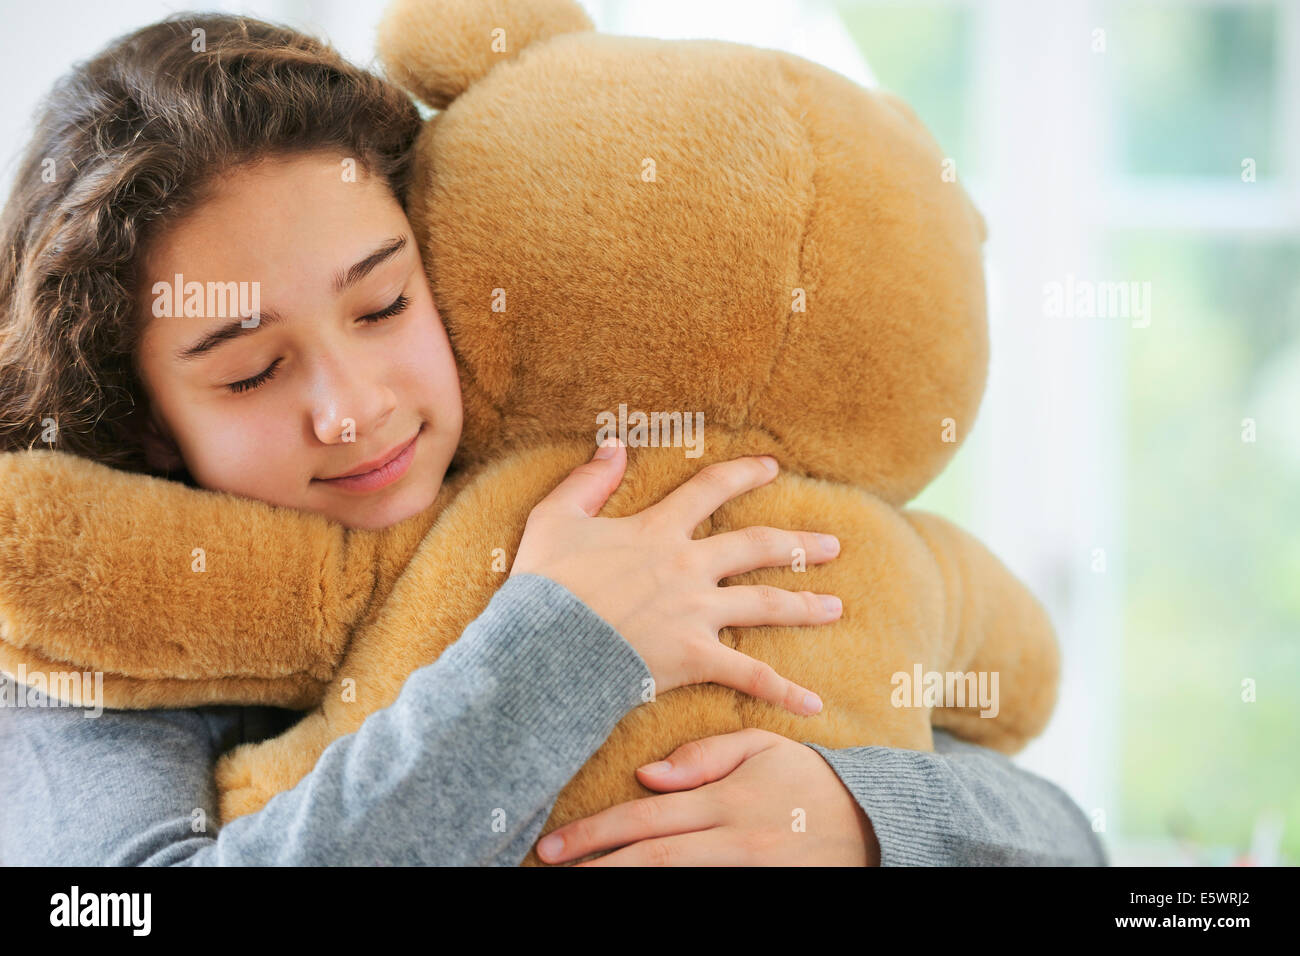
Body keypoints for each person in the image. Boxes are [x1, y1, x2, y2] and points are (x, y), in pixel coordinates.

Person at [0, 13, 1106, 867]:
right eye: (249, 369)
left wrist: (863, 817)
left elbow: (1073, 840)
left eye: (383, 305)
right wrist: (561, 650)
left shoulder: (590, 497)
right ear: (136, 411)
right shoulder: (75, 629)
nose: (353, 405)